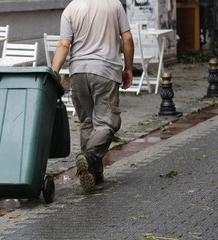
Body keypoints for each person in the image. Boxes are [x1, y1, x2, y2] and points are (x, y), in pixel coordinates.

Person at [52, 0, 134, 192]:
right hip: (106, 70)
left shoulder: (70, 9)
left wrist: (53, 75)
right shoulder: (114, 4)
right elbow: (127, 38)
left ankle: (95, 176)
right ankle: (88, 158)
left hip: (78, 72)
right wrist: (129, 68)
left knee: (88, 122)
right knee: (106, 123)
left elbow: (64, 45)